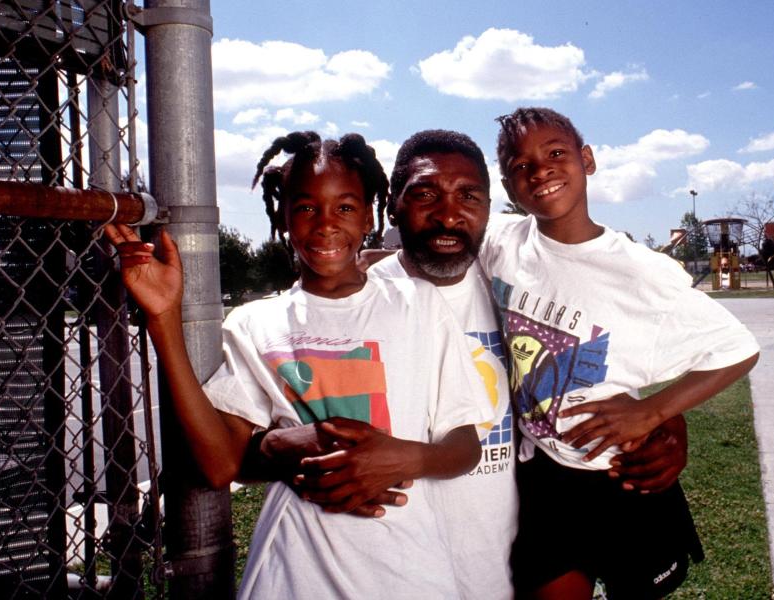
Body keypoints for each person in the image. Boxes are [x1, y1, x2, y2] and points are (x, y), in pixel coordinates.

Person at [254, 129, 694, 598]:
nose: (447, 215)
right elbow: (246, 444)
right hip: (391, 564)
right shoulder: (354, 300)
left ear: (488, 207)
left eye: (468, 196)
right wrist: (280, 446)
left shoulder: (519, 287)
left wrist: (667, 420)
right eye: (424, 194)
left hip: (508, 559)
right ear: (392, 207)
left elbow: (602, 365)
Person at [104, 131, 492, 599]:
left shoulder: (420, 303)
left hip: (409, 571)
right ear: (284, 216)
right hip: (292, 575)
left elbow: (465, 444)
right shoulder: (256, 323)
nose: (326, 225)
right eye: (307, 207)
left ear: (369, 214)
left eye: (345, 207)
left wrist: (404, 457)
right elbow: (218, 465)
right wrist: (163, 319)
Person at [485, 107, 761, 599]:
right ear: (508, 187)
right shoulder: (501, 242)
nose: (540, 170)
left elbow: (737, 349)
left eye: (555, 154)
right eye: (521, 165)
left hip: (620, 474)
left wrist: (654, 412)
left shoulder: (638, 271)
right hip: (544, 475)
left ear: (586, 160)